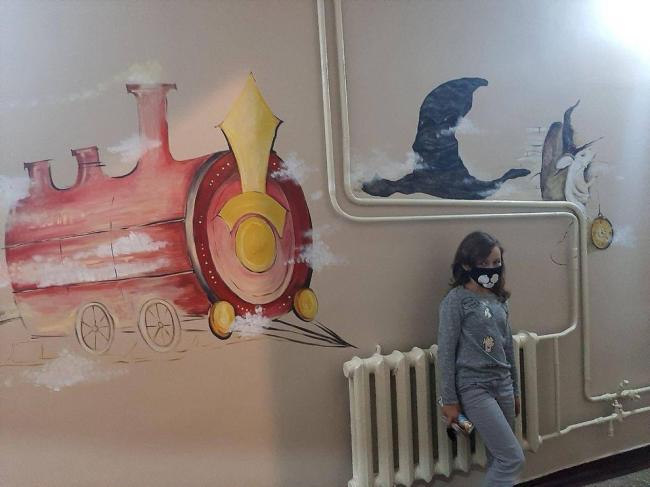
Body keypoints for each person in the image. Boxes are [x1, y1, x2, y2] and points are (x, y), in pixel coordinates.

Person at [437, 231, 525, 487]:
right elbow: (446, 352)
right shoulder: (455, 301)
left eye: (496, 262)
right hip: (474, 387)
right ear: (467, 265)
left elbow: (507, 347)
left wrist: (515, 391)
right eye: (484, 263)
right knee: (512, 458)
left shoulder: (499, 300)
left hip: (503, 384)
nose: (491, 268)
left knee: (499, 457)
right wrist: (449, 400)